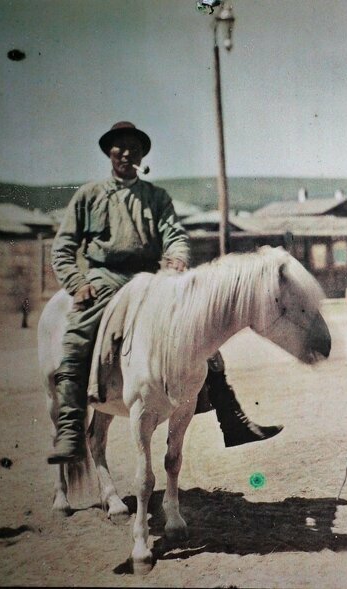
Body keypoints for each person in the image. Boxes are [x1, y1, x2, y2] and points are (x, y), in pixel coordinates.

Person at [48, 121, 281, 464]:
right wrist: (76, 283)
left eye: (134, 147)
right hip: (105, 279)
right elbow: (63, 248)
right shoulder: (89, 196)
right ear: (109, 153)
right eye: (120, 147)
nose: (127, 153)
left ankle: (230, 418)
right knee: (78, 334)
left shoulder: (156, 197)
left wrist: (176, 259)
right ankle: (70, 426)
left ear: (142, 155)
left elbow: (175, 235)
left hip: (151, 281)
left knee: (203, 338)